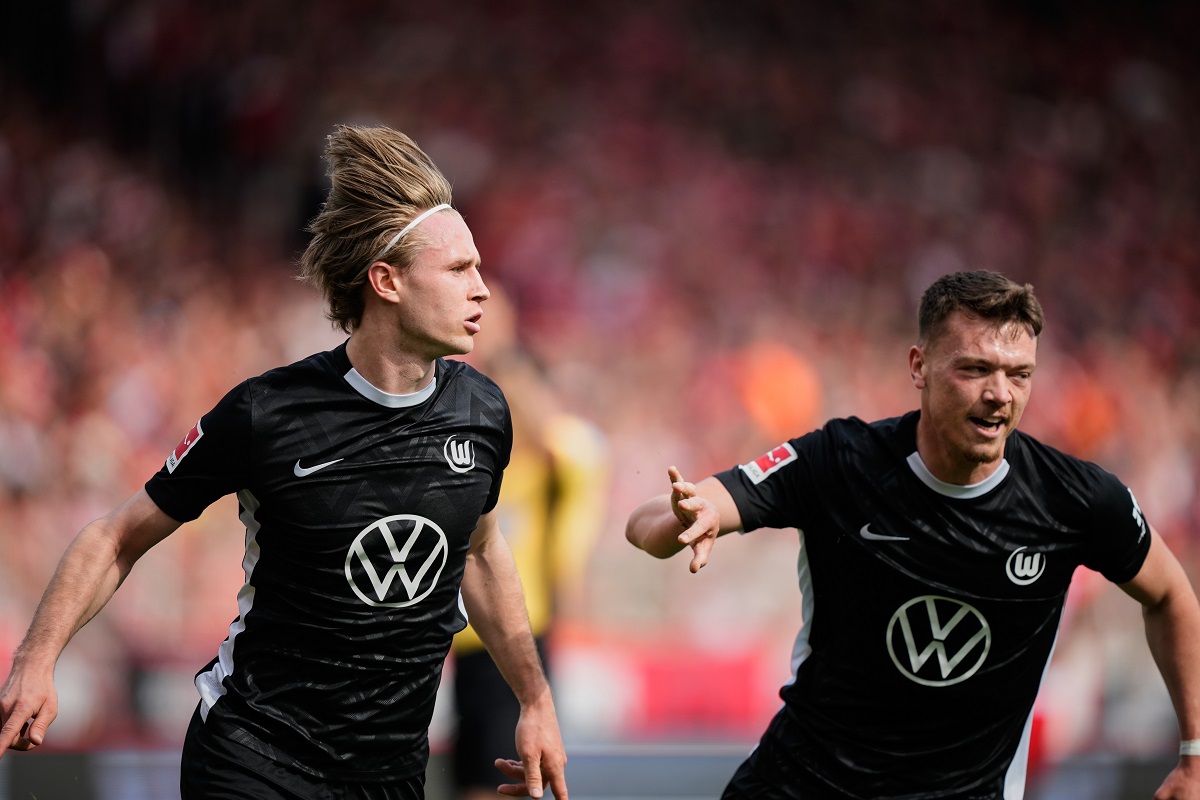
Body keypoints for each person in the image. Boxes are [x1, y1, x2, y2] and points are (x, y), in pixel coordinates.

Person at [0, 124, 568, 800]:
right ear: (386, 281)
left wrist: (535, 700)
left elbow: (481, 551)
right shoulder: (267, 413)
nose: (483, 290)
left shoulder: (483, 411)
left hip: (388, 777)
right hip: (254, 757)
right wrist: (36, 659)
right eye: (458, 270)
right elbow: (117, 536)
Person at [625, 270, 1200, 800]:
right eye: (975, 369)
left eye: (1019, 374)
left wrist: (1194, 757)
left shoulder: (1076, 499)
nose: (1000, 393)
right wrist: (683, 519)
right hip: (800, 786)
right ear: (919, 366)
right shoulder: (840, 460)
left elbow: (1172, 595)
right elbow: (647, 522)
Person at [450, 289, 609, 800]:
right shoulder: (482, 455)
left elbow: (575, 447)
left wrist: (503, 350)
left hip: (518, 634)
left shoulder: (556, 454)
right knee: (470, 781)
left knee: (498, 785)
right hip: (463, 640)